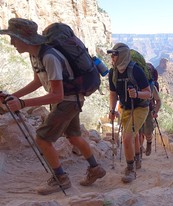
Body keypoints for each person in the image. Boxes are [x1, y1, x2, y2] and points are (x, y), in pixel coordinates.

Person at [0, 18, 106, 195]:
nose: (12, 43)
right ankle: (95, 169)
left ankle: (60, 179)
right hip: (72, 100)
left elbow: (58, 94)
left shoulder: (49, 57)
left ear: (24, 39)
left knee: (42, 139)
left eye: (14, 38)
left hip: (67, 102)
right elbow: (38, 81)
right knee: (73, 136)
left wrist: (23, 103)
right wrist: (14, 96)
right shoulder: (35, 54)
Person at [107, 43, 151, 183]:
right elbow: (113, 94)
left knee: (126, 137)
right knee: (133, 135)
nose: (112, 57)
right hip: (125, 107)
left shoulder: (136, 70)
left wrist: (137, 93)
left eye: (115, 54)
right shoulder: (112, 73)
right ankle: (137, 158)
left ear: (122, 55)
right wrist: (112, 110)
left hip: (140, 108)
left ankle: (130, 169)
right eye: (112, 54)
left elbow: (148, 94)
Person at [139, 64, 162, 156]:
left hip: (149, 110)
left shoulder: (152, 86)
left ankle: (148, 143)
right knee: (138, 131)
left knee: (148, 130)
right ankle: (139, 148)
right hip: (138, 109)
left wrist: (155, 111)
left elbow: (158, 101)